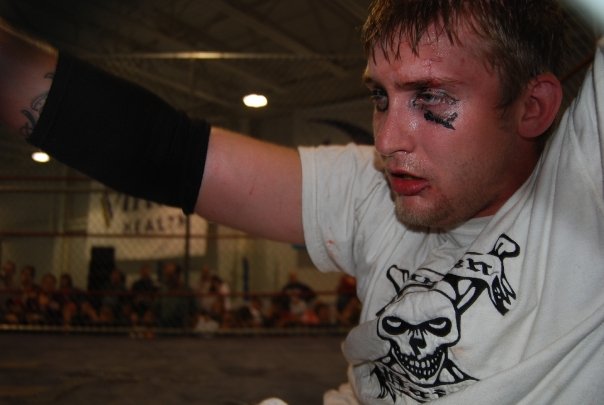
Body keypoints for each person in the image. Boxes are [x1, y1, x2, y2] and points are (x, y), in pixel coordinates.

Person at [0, 1, 603, 403]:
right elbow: (172, 156)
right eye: (382, 97)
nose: (388, 141)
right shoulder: (374, 188)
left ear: (532, 108)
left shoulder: (585, 181)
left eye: (431, 97)